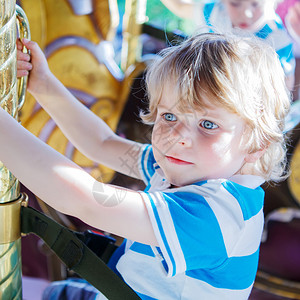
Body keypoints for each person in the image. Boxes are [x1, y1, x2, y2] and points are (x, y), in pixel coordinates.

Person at [2, 32, 290, 299]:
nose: (179, 136)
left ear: (255, 145)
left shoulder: (218, 216)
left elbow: (87, 201)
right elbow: (102, 143)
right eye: (169, 116)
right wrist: (45, 85)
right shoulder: (183, 167)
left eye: (207, 124)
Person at [160, 0, 296, 91]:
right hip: (204, 85)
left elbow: (284, 84)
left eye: (256, 4)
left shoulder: (278, 40)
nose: (246, 13)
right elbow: (180, 7)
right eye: (235, 3)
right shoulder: (216, 13)